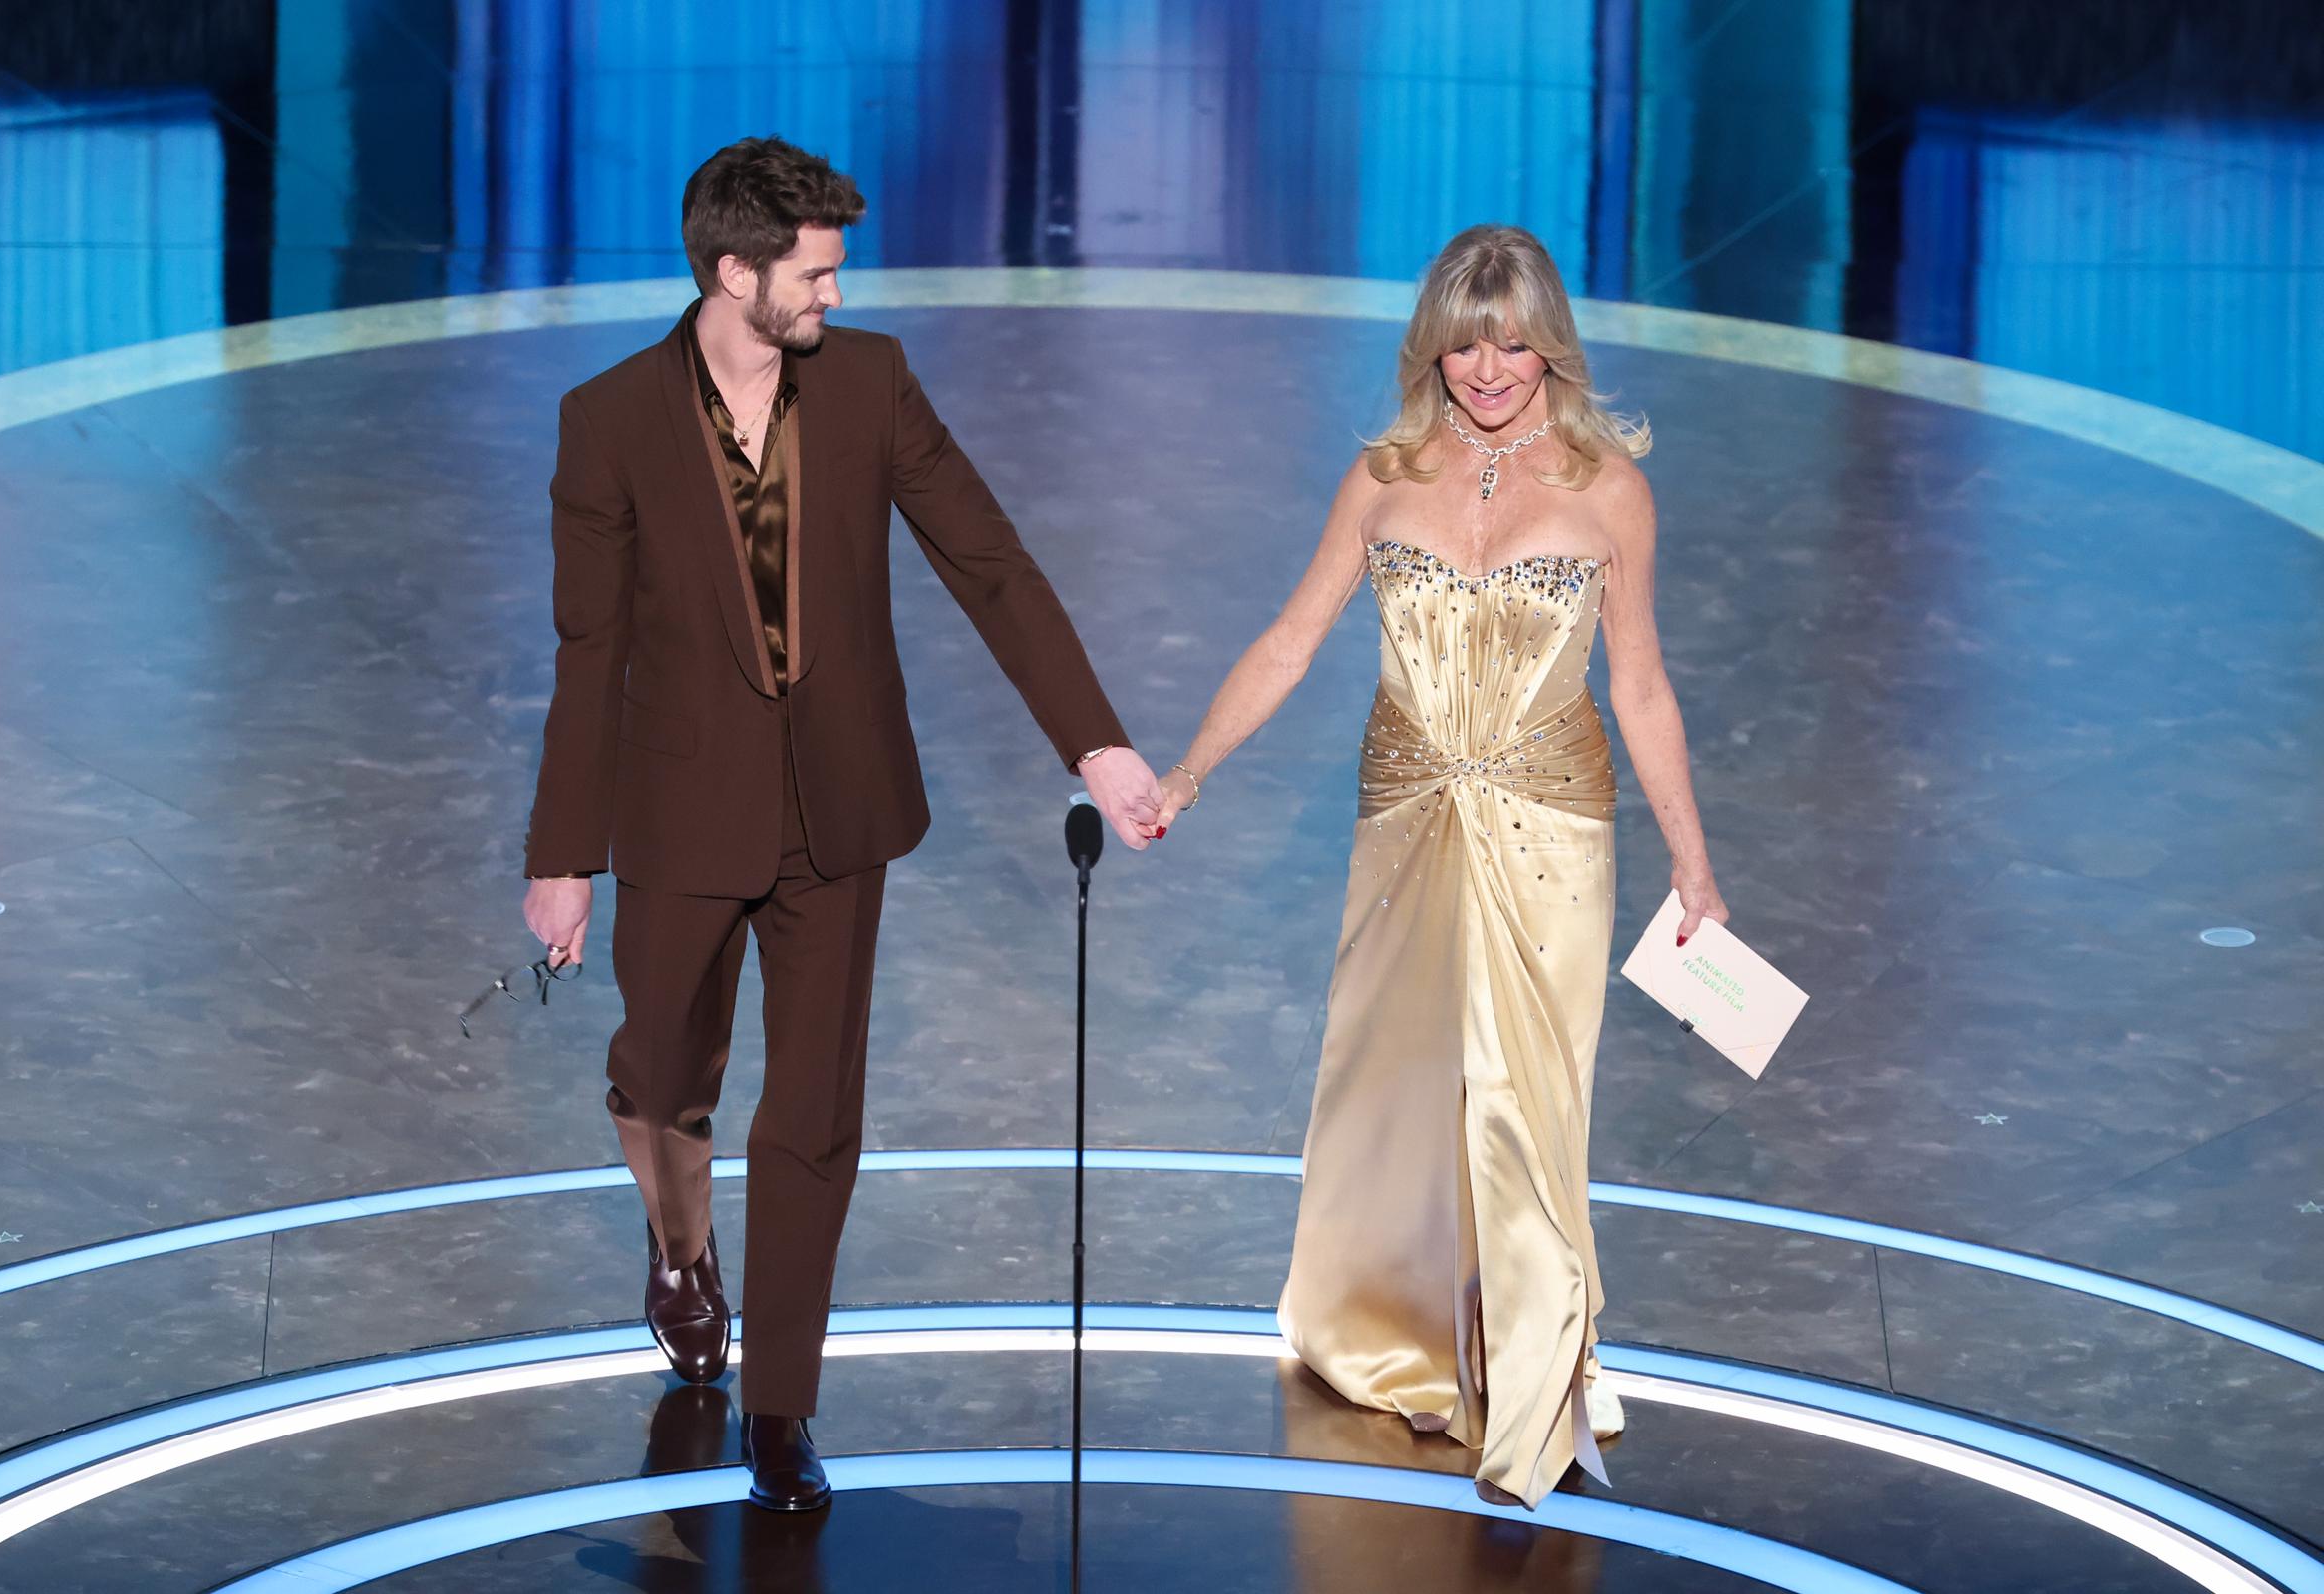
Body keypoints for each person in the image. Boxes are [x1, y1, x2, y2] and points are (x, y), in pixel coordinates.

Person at [520, 137, 1162, 1512]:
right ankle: (680, 1246)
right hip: (679, 813)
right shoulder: (611, 421)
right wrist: (562, 858)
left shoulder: (868, 383)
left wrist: (1095, 742)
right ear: (735, 272)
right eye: (813, 270)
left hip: (839, 810)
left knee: (811, 1116)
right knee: (661, 1070)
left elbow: (989, 564)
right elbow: (590, 654)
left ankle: (780, 1409)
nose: (836, 287)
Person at [1151, 224, 1727, 1508]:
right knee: (1407, 1091)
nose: (1488, 370)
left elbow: (1638, 681)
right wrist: (1188, 774)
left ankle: (1534, 1402)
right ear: (1435, 346)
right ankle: (1410, 1336)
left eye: (1513, 342)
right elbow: (1295, 638)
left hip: (1554, 831)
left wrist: (1695, 863)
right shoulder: (1384, 474)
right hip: (1407, 820)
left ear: (1551, 344)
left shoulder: (1608, 486)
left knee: (1526, 1105)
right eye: (1466, 344)